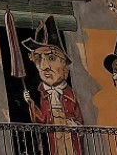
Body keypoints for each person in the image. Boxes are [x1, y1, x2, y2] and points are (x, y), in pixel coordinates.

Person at [22, 16, 84, 155]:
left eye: (51, 58)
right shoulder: (44, 94)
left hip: (71, 142)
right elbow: (42, 119)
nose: (44, 66)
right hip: (54, 143)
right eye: (39, 60)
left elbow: (79, 120)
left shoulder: (70, 94)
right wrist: (31, 103)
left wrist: (75, 125)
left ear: (65, 65)